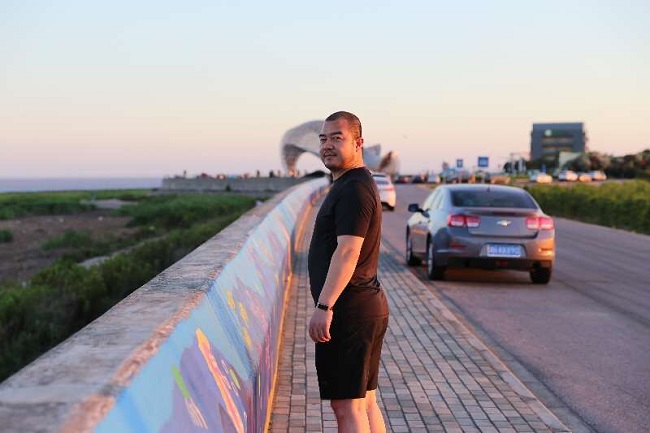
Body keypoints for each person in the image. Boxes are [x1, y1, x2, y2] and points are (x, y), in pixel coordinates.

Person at [307, 111, 390, 433]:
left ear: (358, 143)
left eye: (337, 138)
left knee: (347, 407)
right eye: (323, 139)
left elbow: (348, 251)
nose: (327, 145)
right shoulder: (354, 183)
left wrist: (324, 306)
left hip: (348, 310)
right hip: (364, 307)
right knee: (364, 402)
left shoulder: (354, 188)